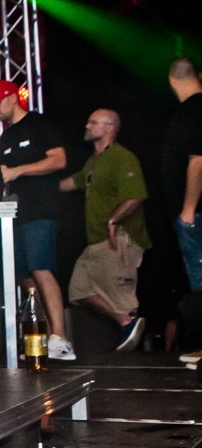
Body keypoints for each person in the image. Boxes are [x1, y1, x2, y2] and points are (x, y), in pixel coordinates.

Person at [0, 79, 76, 360]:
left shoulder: (39, 124)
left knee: (41, 268)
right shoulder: (7, 137)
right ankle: (44, 338)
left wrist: (18, 171)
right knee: (23, 275)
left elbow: (59, 160)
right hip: (16, 214)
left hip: (41, 210)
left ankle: (61, 337)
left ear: (12, 98)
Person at [60, 109, 151, 351]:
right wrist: (38, 185)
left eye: (93, 122)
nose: (87, 126)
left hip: (118, 239)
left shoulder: (122, 157)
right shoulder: (94, 161)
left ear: (109, 127)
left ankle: (130, 328)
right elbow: (72, 182)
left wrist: (113, 220)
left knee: (122, 297)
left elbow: (137, 195)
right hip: (96, 242)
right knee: (78, 290)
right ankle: (125, 322)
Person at [161, 57, 202, 368]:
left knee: (199, 279)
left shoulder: (191, 111)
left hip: (196, 213)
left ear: (171, 79)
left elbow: (198, 160)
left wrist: (188, 208)